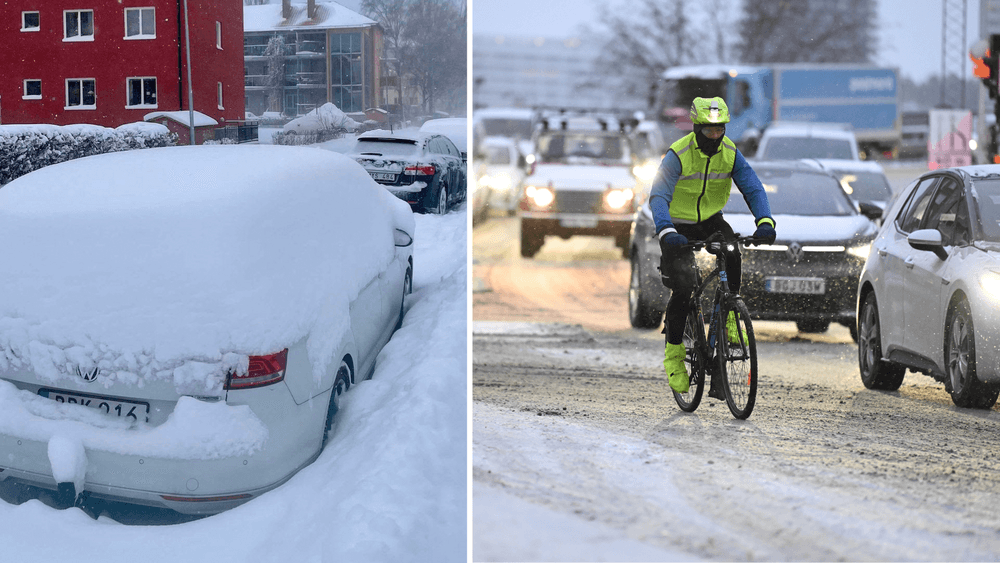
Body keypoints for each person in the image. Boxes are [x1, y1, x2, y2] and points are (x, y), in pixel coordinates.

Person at [648, 96, 776, 396]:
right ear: (696, 127)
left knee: (733, 250)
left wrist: (765, 221)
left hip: (709, 220)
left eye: (720, 129)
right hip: (676, 225)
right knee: (682, 288)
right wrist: (666, 230)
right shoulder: (678, 154)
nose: (716, 136)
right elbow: (658, 196)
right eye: (709, 130)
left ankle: (731, 312)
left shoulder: (730, 153)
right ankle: (674, 356)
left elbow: (753, 187)